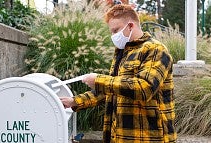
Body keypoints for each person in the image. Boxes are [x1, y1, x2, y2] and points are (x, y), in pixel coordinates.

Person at [60, 4, 177, 143]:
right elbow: (111, 89)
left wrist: (98, 80)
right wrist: (74, 101)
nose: (113, 36)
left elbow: (144, 88)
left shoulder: (155, 50)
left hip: (149, 137)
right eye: (111, 32)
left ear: (131, 26)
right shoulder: (122, 53)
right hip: (120, 136)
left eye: (116, 30)